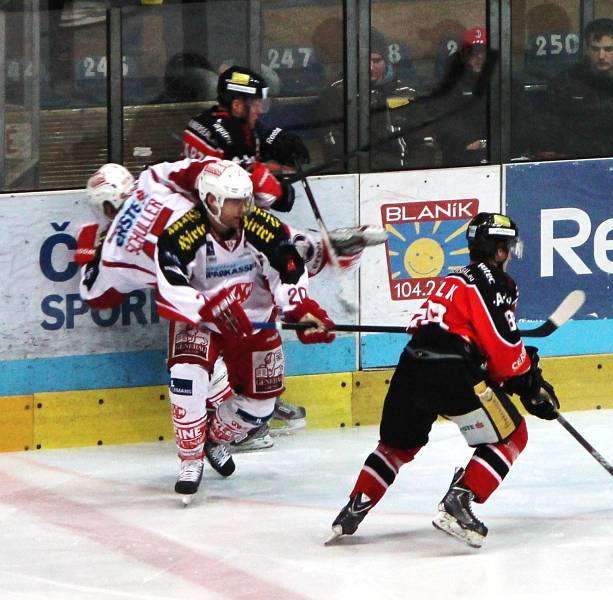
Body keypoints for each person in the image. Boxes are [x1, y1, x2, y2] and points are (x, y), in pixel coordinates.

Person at [327, 212, 560, 548]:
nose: (509, 254)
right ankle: (460, 500)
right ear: (498, 251)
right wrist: (530, 383)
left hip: (412, 363)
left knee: (396, 446)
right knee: (512, 434)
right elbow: (504, 351)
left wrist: (522, 380)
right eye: (507, 247)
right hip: (452, 370)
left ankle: (355, 505)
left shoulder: (451, 279)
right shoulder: (495, 283)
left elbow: (482, 350)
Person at [154, 160, 337, 501]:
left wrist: (301, 309)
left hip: (255, 319)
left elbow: (288, 271)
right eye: (235, 201)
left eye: (246, 199)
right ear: (211, 201)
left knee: (261, 403)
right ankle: (190, 459)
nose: (245, 208)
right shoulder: (181, 233)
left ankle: (214, 439)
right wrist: (208, 306)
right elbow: (169, 283)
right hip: (202, 319)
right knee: (187, 377)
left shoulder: (263, 227)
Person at [531, 18, 613, 159]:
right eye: (595, 49)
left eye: (608, 49)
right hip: (576, 164)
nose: (601, 56)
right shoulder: (565, 84)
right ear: (586, 49)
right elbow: (546, 129)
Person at [319, 29, 436, 170]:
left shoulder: (407, 94)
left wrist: (413, 172)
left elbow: (424, 141)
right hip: (357, 177)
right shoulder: (337, 92)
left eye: (376, 61)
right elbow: (334, 143)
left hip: (405, 177)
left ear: (386, 61)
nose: (370, 67)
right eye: (364, 60)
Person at [434, 26, 490, 167]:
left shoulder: (506, 81)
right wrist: (469, 141)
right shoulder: (448, 85)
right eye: (474, 52)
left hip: (501, 152)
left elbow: (521, 116)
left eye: (484, 51)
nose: (480, 57)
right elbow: (444, 120)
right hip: (461, 156)